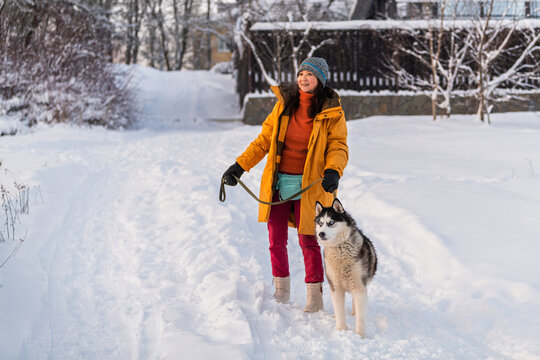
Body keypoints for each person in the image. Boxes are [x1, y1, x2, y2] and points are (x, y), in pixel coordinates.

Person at [222, 57, 348, 312]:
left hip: (311, 185)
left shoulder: (331, 111)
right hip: (279, 183)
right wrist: (239, 167)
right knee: (275, 238)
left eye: (310, 74)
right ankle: (282, 289)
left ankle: (315, 293)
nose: (304, 78)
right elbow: (263, 141)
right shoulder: (283, 105)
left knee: (308, 240)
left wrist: (333, 170)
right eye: (301, 73)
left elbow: (338, 146)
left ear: (320, 80)